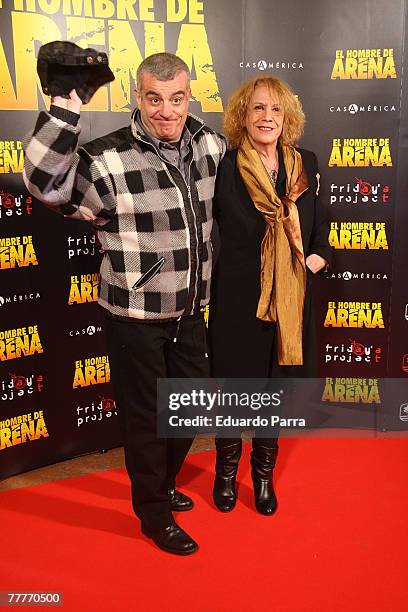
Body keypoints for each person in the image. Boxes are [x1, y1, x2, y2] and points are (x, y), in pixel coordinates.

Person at [23, 52, 226, 555]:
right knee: (146, 420)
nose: (166, 111)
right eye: (154, 99)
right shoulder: (106, 159)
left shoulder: (209, 144)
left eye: (176, 99)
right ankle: (153, 515)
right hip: (134, 317)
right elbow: (45, 185)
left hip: (189, 310)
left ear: (188, 95)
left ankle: (162, 485)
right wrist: (63, 110)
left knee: (189, 412)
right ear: (138, 97)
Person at [209, 76, 332, 515]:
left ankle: (262, 476)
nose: (267, 117)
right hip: (240, 298)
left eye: (275, 110)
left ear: (287, 118)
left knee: (272, 393)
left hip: (291, 300)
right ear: (243, 116)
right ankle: (226, 471)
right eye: (258, 108)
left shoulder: (307, 165)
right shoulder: (225, 167)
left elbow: (323, 224)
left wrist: (316, 257)